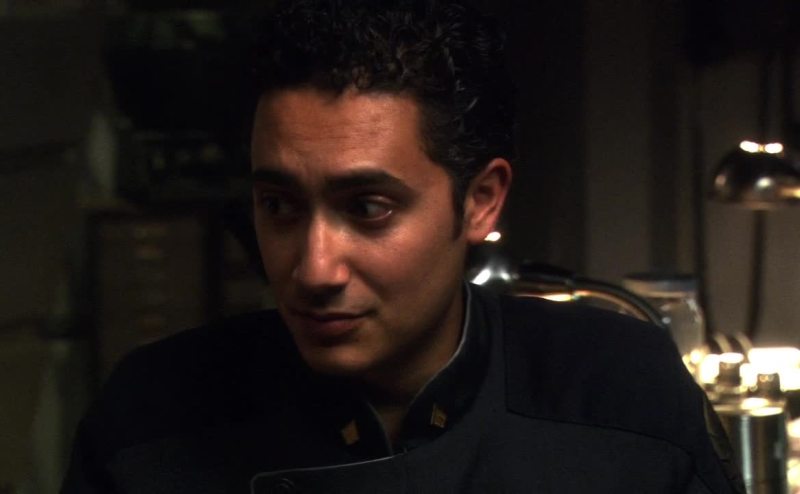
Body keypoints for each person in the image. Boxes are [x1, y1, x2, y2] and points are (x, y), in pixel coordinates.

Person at [61, 0, 744, 492]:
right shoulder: (148, 421)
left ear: (480, 201)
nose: (314, 268)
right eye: (280, 206)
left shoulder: (622, 395)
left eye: (369, 208)